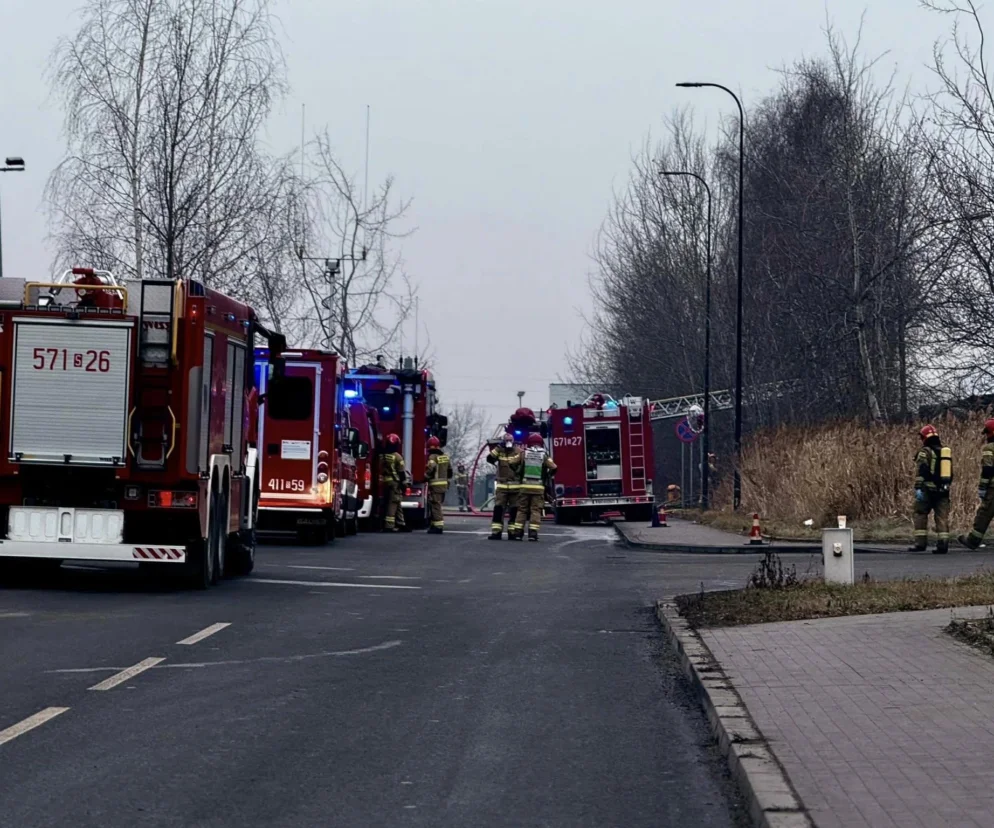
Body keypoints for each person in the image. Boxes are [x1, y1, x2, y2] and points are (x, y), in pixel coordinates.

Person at [911, 424, 951, 554]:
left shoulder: (925, 452)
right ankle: (943, 544)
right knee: (942, 517)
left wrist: (918, 488)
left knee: (920, 513)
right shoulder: (944, 452)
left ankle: (920, 544)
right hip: (943, 490)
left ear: (924, 437)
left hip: (927, 489)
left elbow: (922, 470)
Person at [511, 432, 557, 542]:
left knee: (522, 510)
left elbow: (512, 462)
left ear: (529, 443)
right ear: (541, 443)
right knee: (535, 511)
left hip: (524, 487)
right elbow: (554, 467)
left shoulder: (523, 454)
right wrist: (547, 475)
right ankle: (532, 534)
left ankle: (518, 534)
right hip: (538, 488)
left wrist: (518, 472)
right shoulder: (544, 455)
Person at [959, 418, 994, 549]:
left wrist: (982, 487)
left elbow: (988, 470)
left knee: (984, 514)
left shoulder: (989, 448)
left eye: (987, 433)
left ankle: (973, 540)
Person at [486, 432, 522, 540]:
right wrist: (498, 448)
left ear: (513, 441)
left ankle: (512, 532)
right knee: (498, 509)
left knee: (514, 510)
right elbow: (489, 458)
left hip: (515, 487)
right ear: (503, 442)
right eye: (506, 441)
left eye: (510, 441)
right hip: (502, 486)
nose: (508, 443)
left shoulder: (518, 451)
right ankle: (496, 532)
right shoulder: (499, 451)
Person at [379, 433, 407, 532]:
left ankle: (401, 523)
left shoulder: (383, 455)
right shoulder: (397, 456)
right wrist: (403, 484)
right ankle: (389, 525)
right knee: (393, 503)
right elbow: (401, 472)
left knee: (396, 501)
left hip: (386, 481)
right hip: (395, 482)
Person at [425, 436, 452, 534]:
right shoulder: (445, 457)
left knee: (435, 505)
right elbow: (450, 471)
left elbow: (430, 468)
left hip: (435, 485)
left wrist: (425, 477)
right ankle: (434, 524)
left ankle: (438, 526)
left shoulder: (432, 457)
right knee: (437, 504)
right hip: (444, 485)